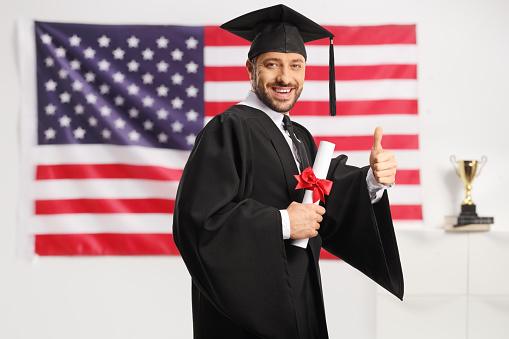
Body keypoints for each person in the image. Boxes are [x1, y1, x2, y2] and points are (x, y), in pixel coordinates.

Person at [173, 4, 403, 339]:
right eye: (272, 65)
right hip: (244, 312)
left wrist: (372, 179)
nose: (285, 77)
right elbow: (197, 222)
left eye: (295, 65)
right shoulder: (228, 128)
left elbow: (327, 194)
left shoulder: (299, 136)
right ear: (251, 67)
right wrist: (282, 222)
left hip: (300, 295)